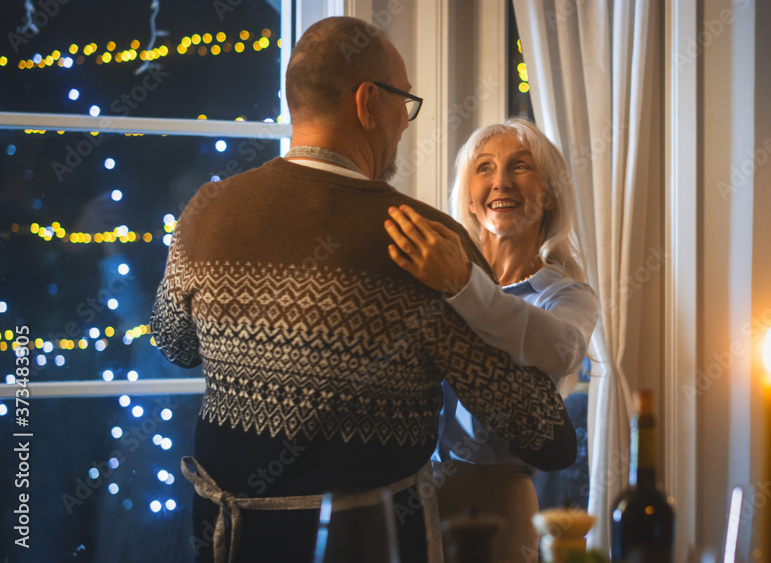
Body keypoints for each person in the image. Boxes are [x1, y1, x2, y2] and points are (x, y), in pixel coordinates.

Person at [149, 18, 576, 563]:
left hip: (228, 543)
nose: (404, 123)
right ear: (368, 102)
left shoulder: (206, 211)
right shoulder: (424, 244)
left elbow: (174, 344)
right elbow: (545, 436)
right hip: (372, 544)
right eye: (404, 102)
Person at [383, 118, 599, 562]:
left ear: (550, 194)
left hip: (499, 496)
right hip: (410, 492)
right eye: (484, 167)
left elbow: (562, 348)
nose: (500, 180)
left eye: (520, 167)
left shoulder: (567, 295)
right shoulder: (433, 277)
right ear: (468, 196)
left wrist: (463, 283)